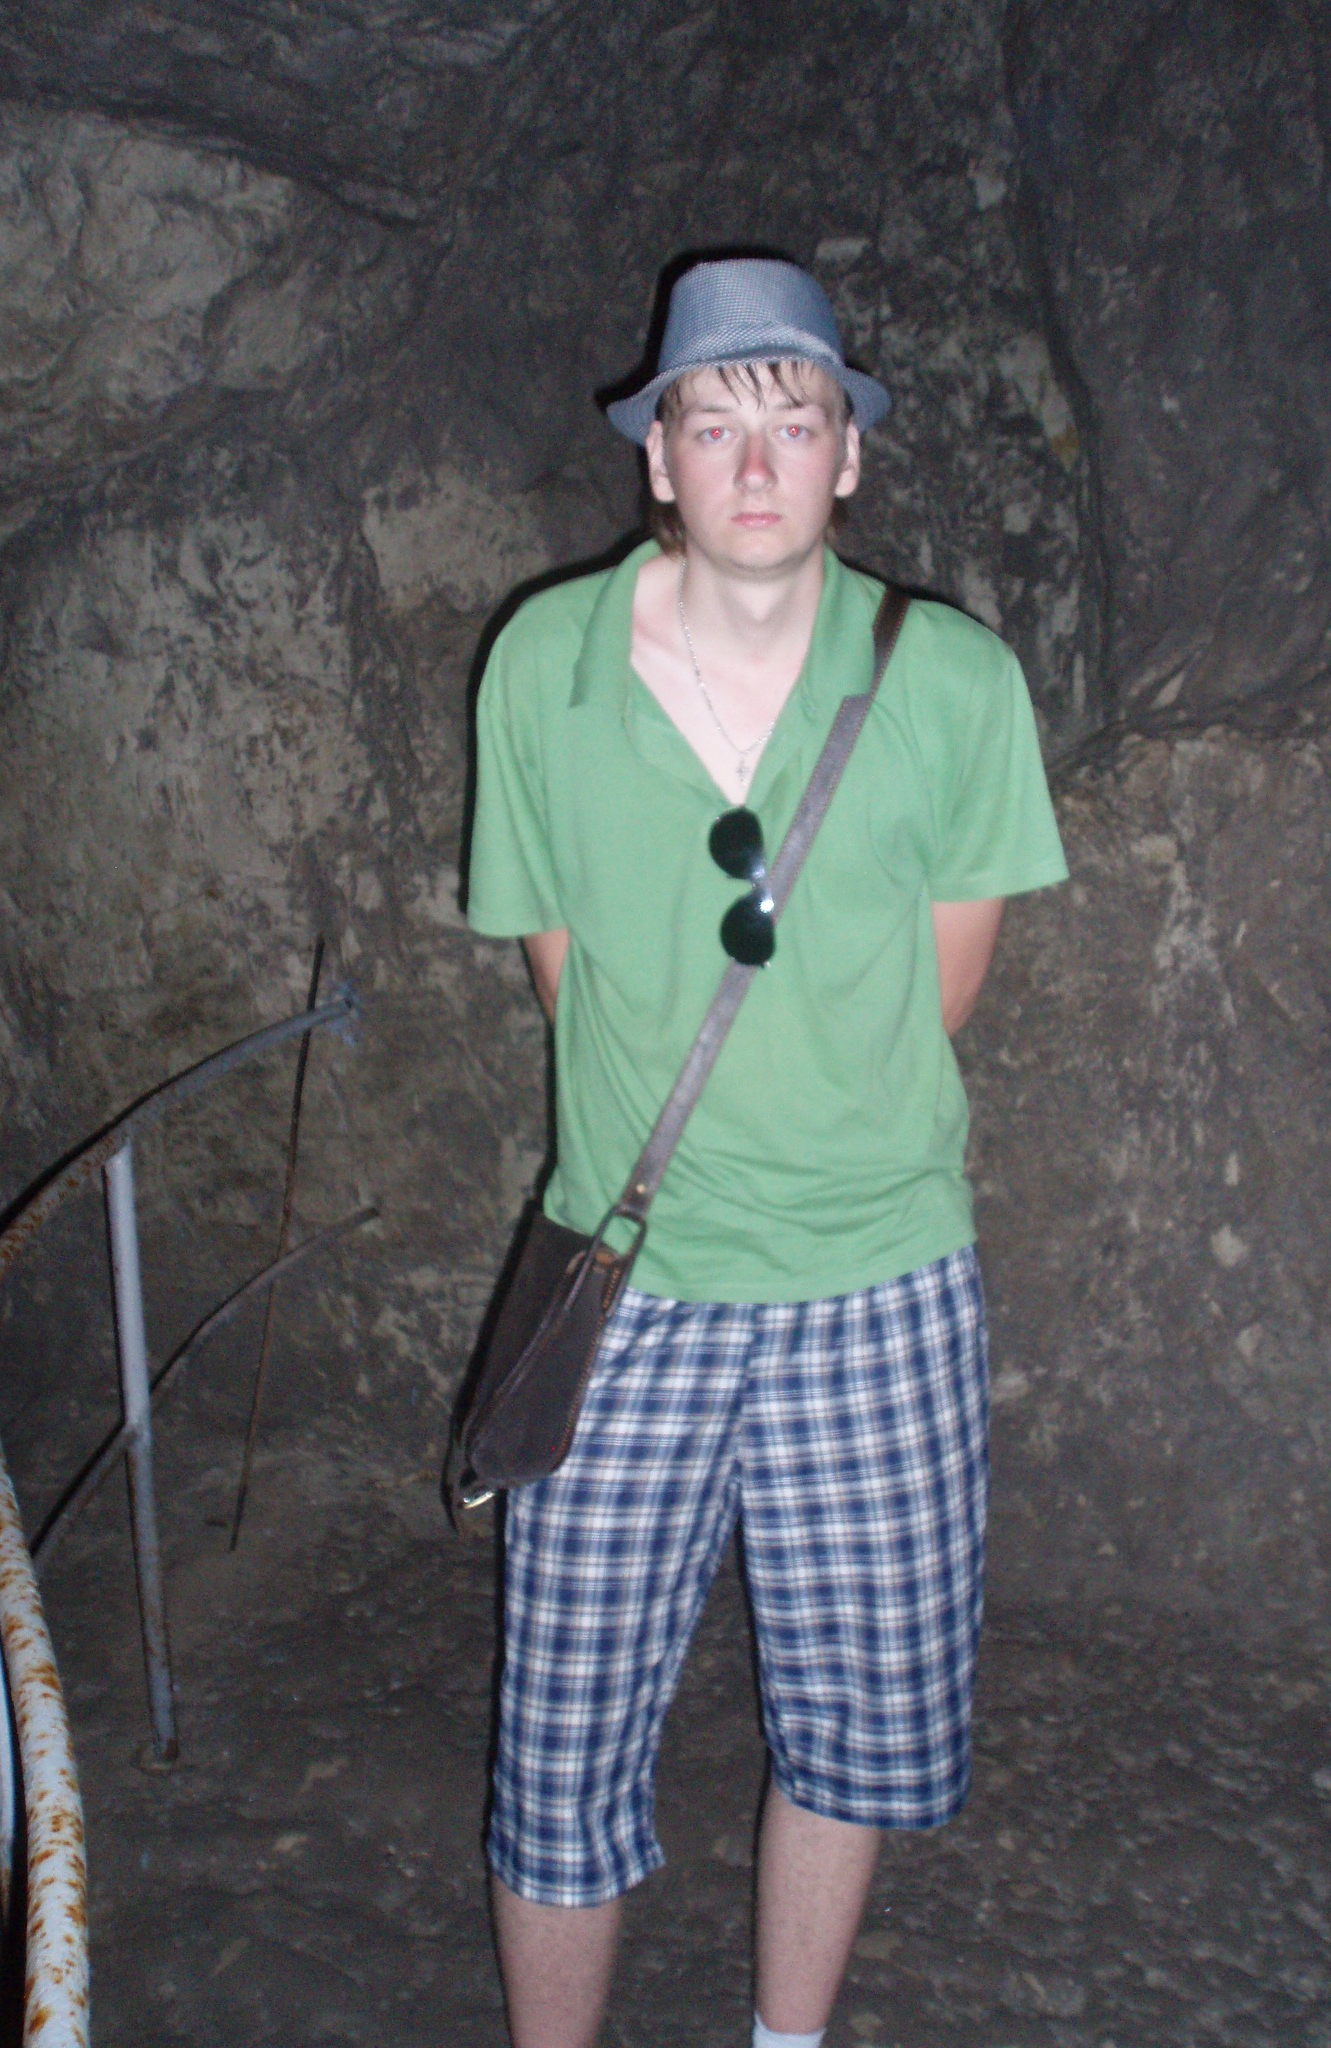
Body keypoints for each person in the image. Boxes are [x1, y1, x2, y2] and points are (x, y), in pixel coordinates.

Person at [466, 255, 1067, 2048]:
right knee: (560, 1752)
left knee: (853, 1736)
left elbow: (944, 992)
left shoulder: (952, 682)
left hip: (877, 1283)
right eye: (710, 421)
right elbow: (564, 973)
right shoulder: (545, 668)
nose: (752, 461)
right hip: (626, 1289)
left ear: (847, 458)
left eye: (792, 421)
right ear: (655, 455)